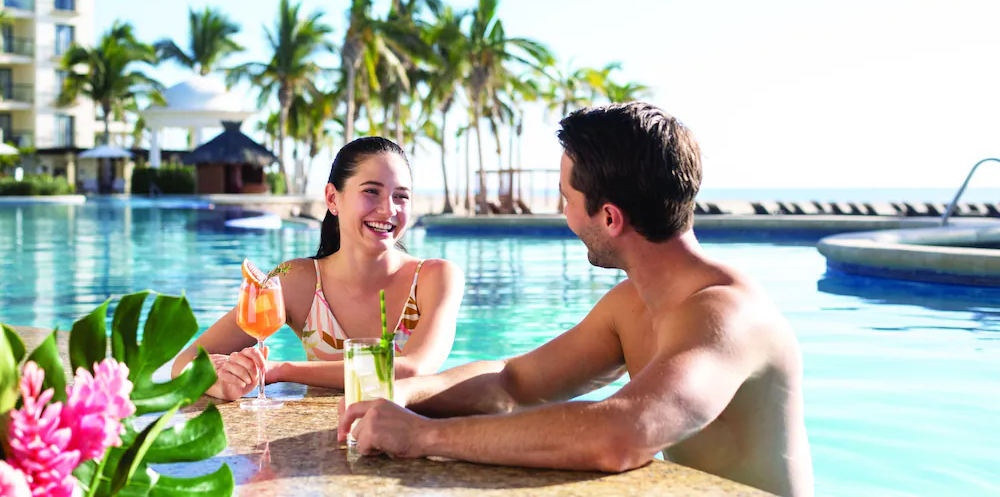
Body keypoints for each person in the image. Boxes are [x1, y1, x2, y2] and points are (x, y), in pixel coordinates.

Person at [338, 103, 813, 497]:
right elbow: (513, 382)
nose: (561, 211)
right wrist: (402, 396)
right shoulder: (631, 304)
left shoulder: (727, 314)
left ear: (609, 218)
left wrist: (423, 436)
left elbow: (623, 434)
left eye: (565, 197)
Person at [172, 136, 465, 400]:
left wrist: (280, 370)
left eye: (401, 196)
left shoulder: (436, 278)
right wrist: (221, 379)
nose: (389, 209)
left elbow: (412, 370)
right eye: (372, 191)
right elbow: (184, 364)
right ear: (332, 198)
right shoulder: (294, 281)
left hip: (409, 437)